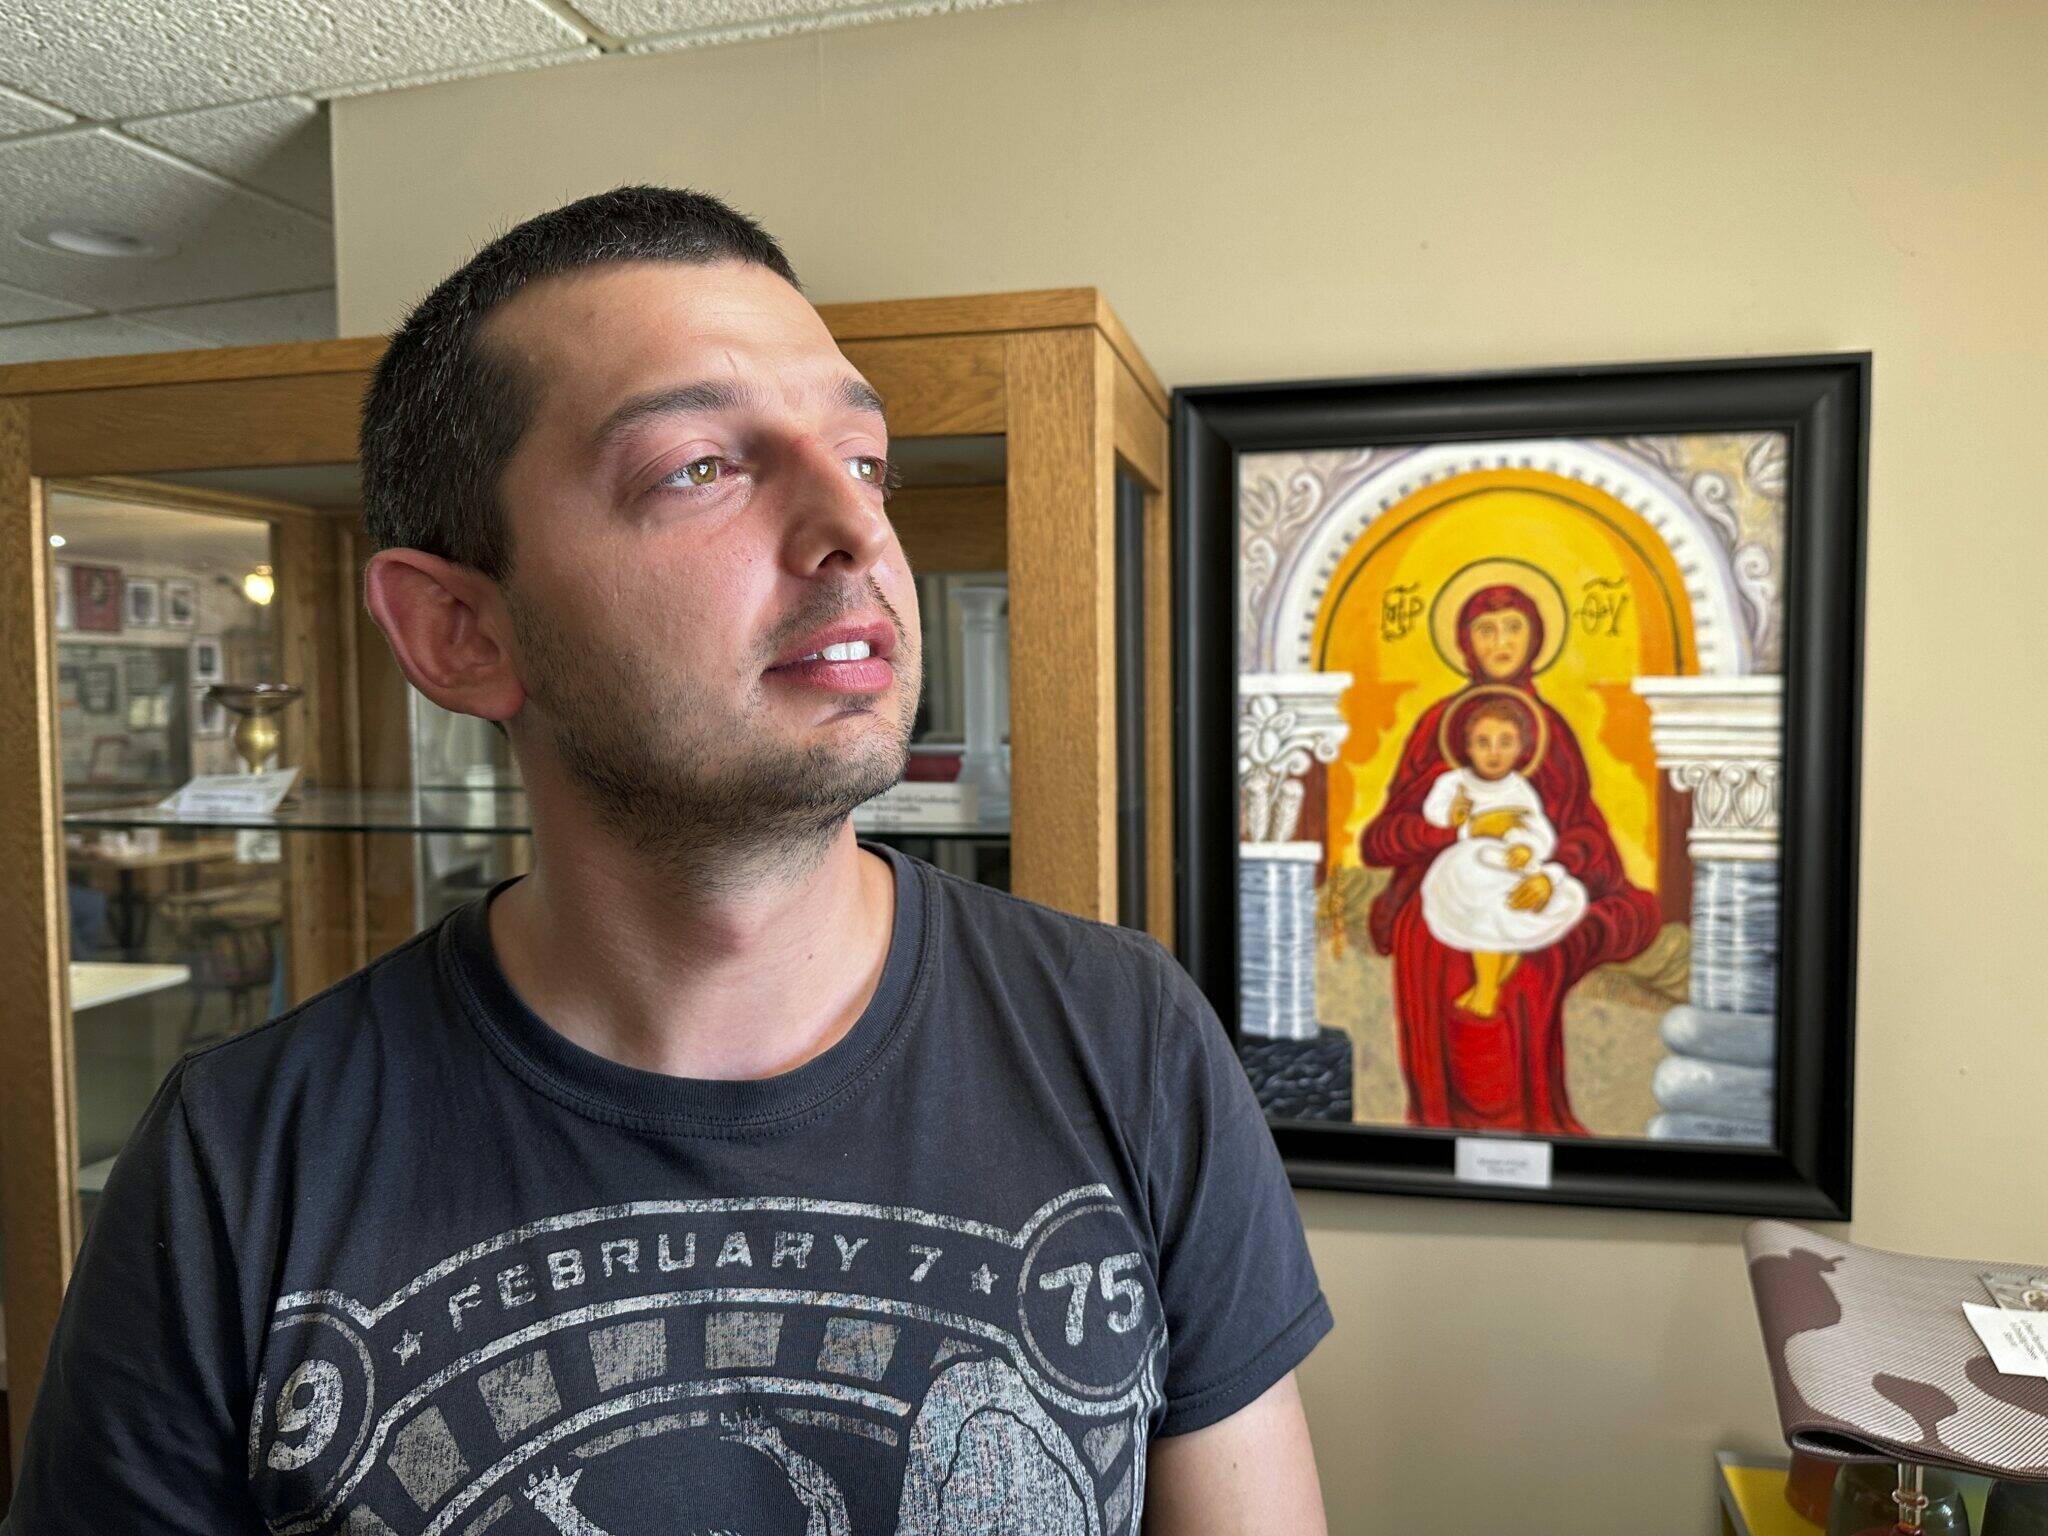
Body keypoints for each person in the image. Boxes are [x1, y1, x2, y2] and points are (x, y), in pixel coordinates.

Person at [4, 186, 1330, 1536]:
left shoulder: (1129, 1038)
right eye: (701, 466)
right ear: (460, 631)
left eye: (866, 461)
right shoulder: (236, 1162)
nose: (856, 532)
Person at [1359, 582, 1660, 1135]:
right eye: (1486, 628)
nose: (1501, 642)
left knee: (1533, 969)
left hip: (1525, 886)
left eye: (1514, 626)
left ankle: (1533, 1119)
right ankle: (1437, 1124)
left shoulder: (1552, 733)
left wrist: (1553, 874)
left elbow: (1583, 832)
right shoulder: (1438, 730)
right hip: (1444, 896)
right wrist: (1448, 832)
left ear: (1537, 635)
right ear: (1465, 640)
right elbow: (1381, 840)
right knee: (1429, 950)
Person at [1418, 692, 1591, 1017]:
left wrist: (1528, 847)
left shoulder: (1520, 790)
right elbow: (1434, 812)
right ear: (1467, 748)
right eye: (1483, 743)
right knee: (1485, 911)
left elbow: (1539, 830)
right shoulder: (1454, 782)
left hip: (1509, 866)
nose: (1494, 753)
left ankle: (1486, 988)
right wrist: (1456, 816)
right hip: (1469, 866)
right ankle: (1486, 988)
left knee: (1514, 916)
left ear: (1521, 748)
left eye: (1505, 742)